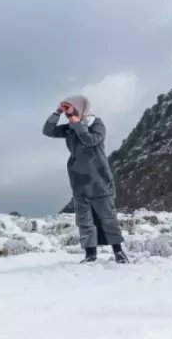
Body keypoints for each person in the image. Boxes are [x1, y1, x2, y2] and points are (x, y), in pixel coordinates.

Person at [43, 95, 129, 264]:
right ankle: (90, 255)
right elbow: (48, 131)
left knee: (108, 218)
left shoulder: (96, 124)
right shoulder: (69, 128)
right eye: (67, 110)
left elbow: (91, 141)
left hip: (99, 180)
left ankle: (119, 252)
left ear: (81, 108)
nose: (69, 113)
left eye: (71, 109)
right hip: (78, 181)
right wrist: (57, 112)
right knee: (84, 220)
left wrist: (77, 123)